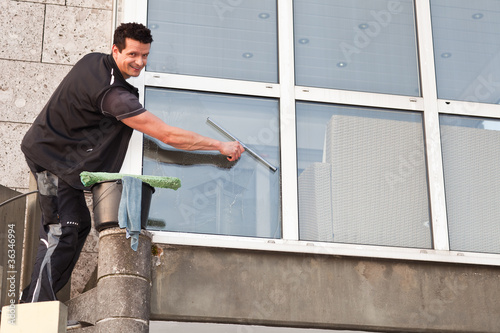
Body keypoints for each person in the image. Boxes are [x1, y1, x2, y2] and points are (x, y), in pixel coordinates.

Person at [20, 22, 244, 303]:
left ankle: (41, 299)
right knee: (63, 230)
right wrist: (219, 145)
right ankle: (30, 307)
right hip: (51, 164)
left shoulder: (93, 62)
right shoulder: (114, 95)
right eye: (133, 55)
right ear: (116, 50)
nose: (140, 62)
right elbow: (167, 135)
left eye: (145, 55)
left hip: (54, 158)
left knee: (77, 227)